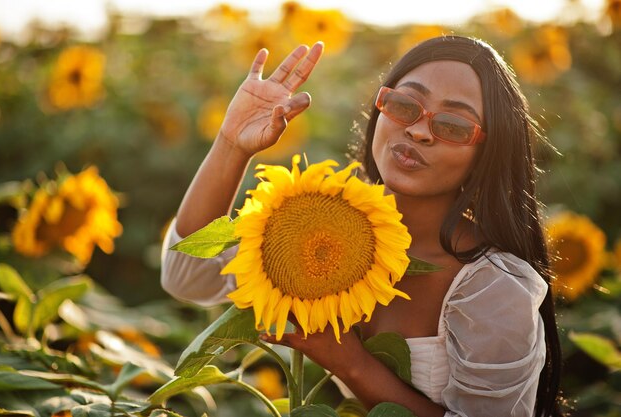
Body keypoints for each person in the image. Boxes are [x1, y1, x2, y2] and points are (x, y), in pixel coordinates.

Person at [161, 35, 563, 416]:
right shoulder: (315, 220)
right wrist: (232, 143)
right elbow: (187, 278)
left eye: (454, 126)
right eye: (405, 106)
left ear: (488, 153)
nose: (419, 130)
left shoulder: (492, 288)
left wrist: (351, 363)